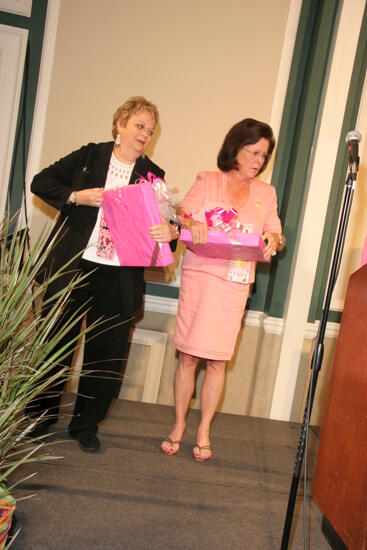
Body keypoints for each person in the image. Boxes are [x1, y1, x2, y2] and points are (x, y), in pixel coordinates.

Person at [31, 96, 178, 453]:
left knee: (106, 354)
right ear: (120, 125)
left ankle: (85, 424)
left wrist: (170, 230)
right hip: (73, 267)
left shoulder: (152, 176)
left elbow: (169, 220)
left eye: (150, 130)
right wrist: (76, 197)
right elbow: (41, 182)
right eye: (139, 126)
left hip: (119, 276)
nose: (145, 134)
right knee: (54, 344)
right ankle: (42, 416)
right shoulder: (89, 157)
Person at [161, 118, 285, 461]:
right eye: (254, 151)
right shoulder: (208, 180)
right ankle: (178, 426)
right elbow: (181, 214)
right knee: (188, 356)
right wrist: (192, 222)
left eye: (265, 154)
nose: (259, 160)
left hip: (235, 283)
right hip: (201, 277)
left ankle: (203, 432)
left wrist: (274, 239)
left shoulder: (266, 193)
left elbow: (276, 233)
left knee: (217, 361)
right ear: (236, 147)